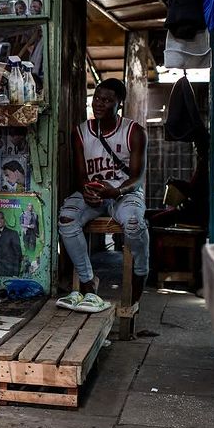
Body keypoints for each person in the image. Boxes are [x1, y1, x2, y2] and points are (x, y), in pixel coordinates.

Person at [56, 79, 148, 313]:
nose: (99, 104)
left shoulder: (133, 131)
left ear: (119, 104)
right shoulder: (81, 132)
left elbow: (137, 177)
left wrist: (115, 191)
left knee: (134, 224)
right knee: (66, 219)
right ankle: (89, 285)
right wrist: (86, 190)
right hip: (95, 195)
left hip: (123, 193)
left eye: (107, 100)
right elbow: (80, 175)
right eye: (97, 98)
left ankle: (140, 274)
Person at [0, 212, 23, 279]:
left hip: (10, 273)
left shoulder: (12, 233)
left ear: (4, 220)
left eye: (1, 218)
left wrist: (15, 274)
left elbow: (18, 255)